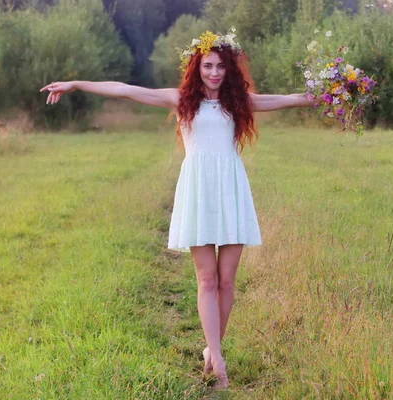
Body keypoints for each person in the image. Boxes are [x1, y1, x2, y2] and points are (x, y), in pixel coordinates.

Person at [40, 29, 314, 389]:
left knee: (228, 280)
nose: (214, 73)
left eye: (220, 67)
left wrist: (335, 94)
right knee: (207, 279)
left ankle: (211, 350)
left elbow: (293, 99)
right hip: (198, 189)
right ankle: (217, 360)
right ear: (197, 68)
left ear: (229, 69)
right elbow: (125, 89)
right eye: (208, 66)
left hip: (230, 187)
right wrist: (76, 83)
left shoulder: (240, 102)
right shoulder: (181, 100)